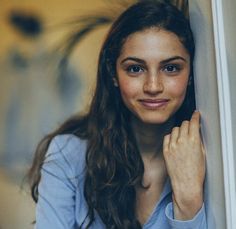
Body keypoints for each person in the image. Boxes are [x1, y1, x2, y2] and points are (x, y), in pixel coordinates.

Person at [28, 1, 207, 228]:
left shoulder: (209, 157)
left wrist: (189, 203)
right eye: (135, 68)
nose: (153, 86)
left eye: (171, 68)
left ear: (191, 74)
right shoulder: (68, 155)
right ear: (113, 74)